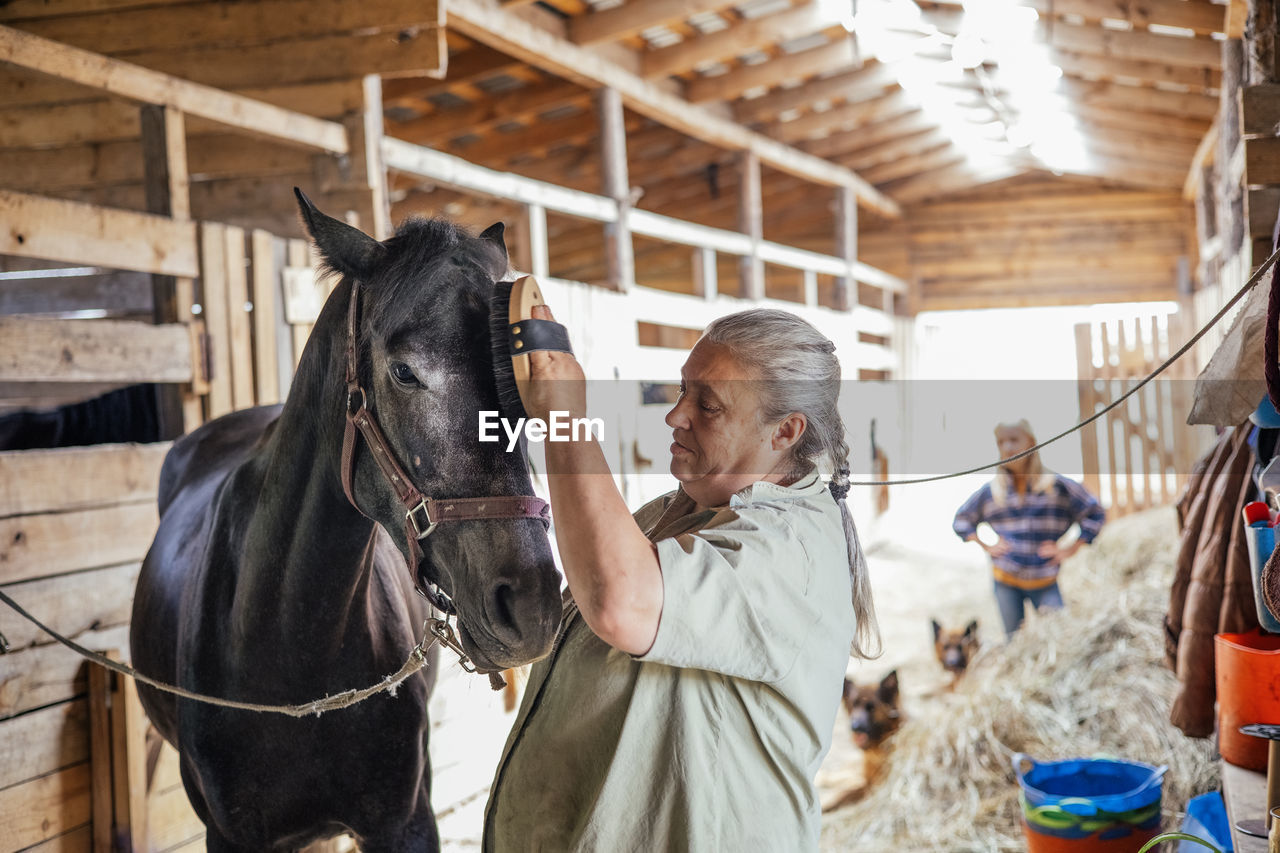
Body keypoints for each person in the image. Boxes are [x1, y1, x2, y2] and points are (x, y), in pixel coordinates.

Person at [483, 306, 879, 852]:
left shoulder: (789, 551)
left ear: (785, 431)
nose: (675, 416)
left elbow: (620, 601)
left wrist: (564, 417)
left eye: (707, 405)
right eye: (682, 391)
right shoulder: (675, 511)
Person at [953, 419, 1105, 636]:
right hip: (1005, 580)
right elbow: (962, 520)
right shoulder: (992, 492)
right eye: (1001, 442)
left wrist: (1070, 548)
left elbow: (1096, 513)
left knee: (1059, 637)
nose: (1007, 447)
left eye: (1014, 440)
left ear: (1031, 442)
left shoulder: (1057, 487)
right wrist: (985, 545)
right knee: (1014, 641)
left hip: (1044, 579)